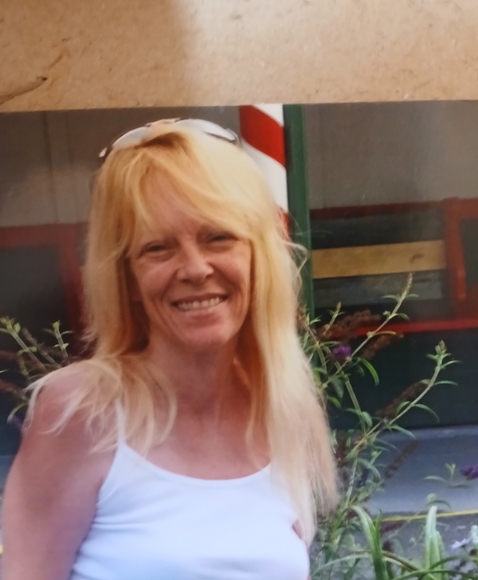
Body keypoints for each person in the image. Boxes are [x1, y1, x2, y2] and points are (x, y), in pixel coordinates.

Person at [2, 118, 338, 580]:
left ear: (257, 256)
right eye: (158, 248)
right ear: (127, 280)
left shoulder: (281, 410)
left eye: (218, 237)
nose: (195, 269)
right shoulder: (82, 412)